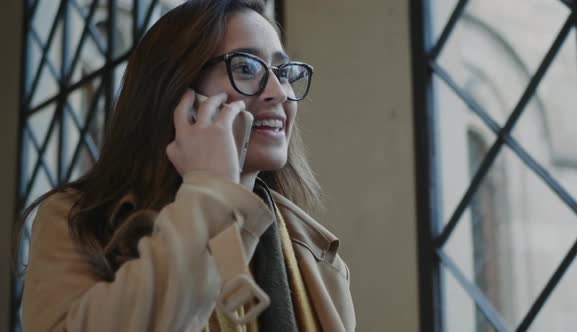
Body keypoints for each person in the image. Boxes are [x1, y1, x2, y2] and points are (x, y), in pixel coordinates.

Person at [17, 0, 355, 331]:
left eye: (284, 72)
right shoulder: (76, 220)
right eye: (247, 67)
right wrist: (209, 189)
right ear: (177, 92)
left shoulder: (316, 259)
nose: (279, 92)